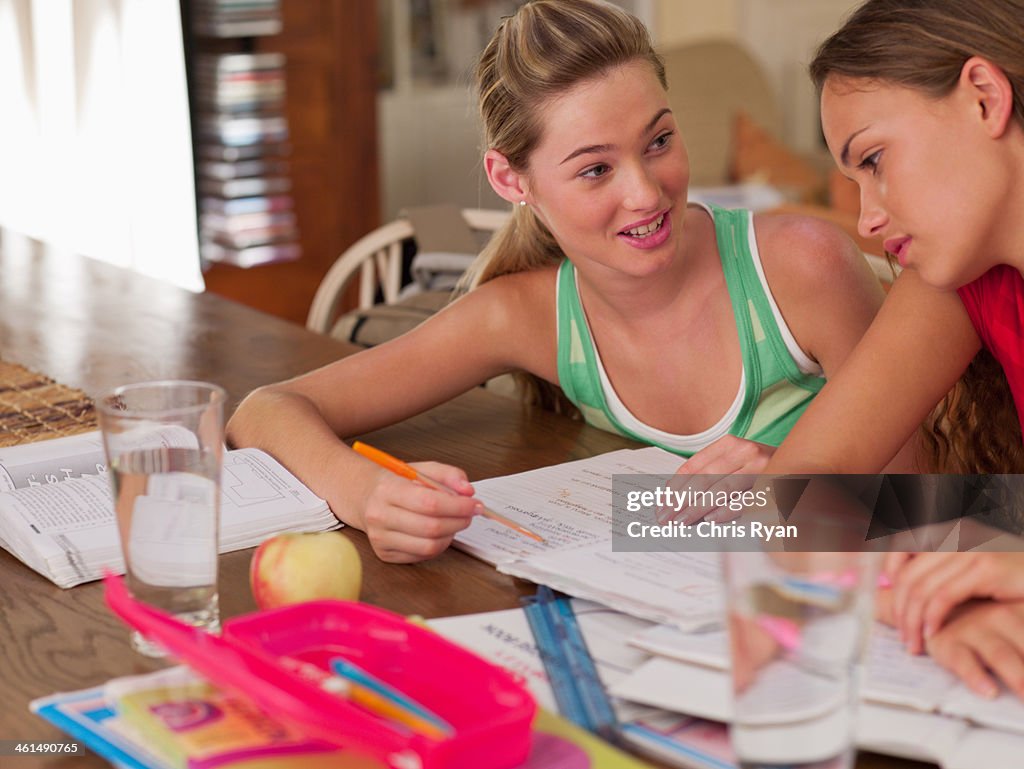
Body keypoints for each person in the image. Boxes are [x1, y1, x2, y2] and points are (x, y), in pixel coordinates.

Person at [226, 0, 887, 564]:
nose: (646, 192)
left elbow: (954, 510)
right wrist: (363, 492)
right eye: (596, 170)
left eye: (658, 141)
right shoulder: (526, 314)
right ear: (512, 180)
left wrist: (787, 496)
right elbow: (263, 410)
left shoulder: (803, 266)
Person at [763, 0, 1024, 697]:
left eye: (874, 161)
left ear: (984, 97)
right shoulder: (958, 279)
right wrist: (938, 595)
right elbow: (793, 497)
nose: (867, 220)